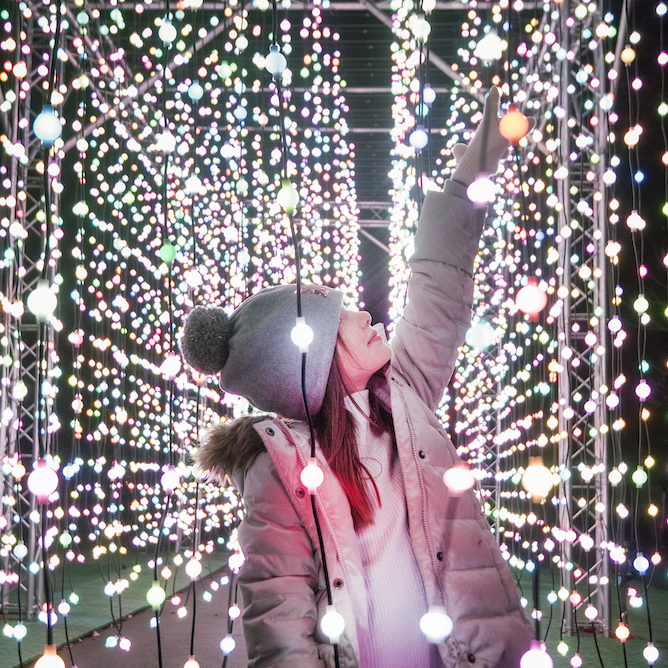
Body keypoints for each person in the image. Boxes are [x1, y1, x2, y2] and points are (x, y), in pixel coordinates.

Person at [180, 87, 534, 668]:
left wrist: (474, 170)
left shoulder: (404, 398)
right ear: (315, 358)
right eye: (344, 316)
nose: (367, 315)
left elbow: (438, 290)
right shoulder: (282, 471)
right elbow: (280, 619)